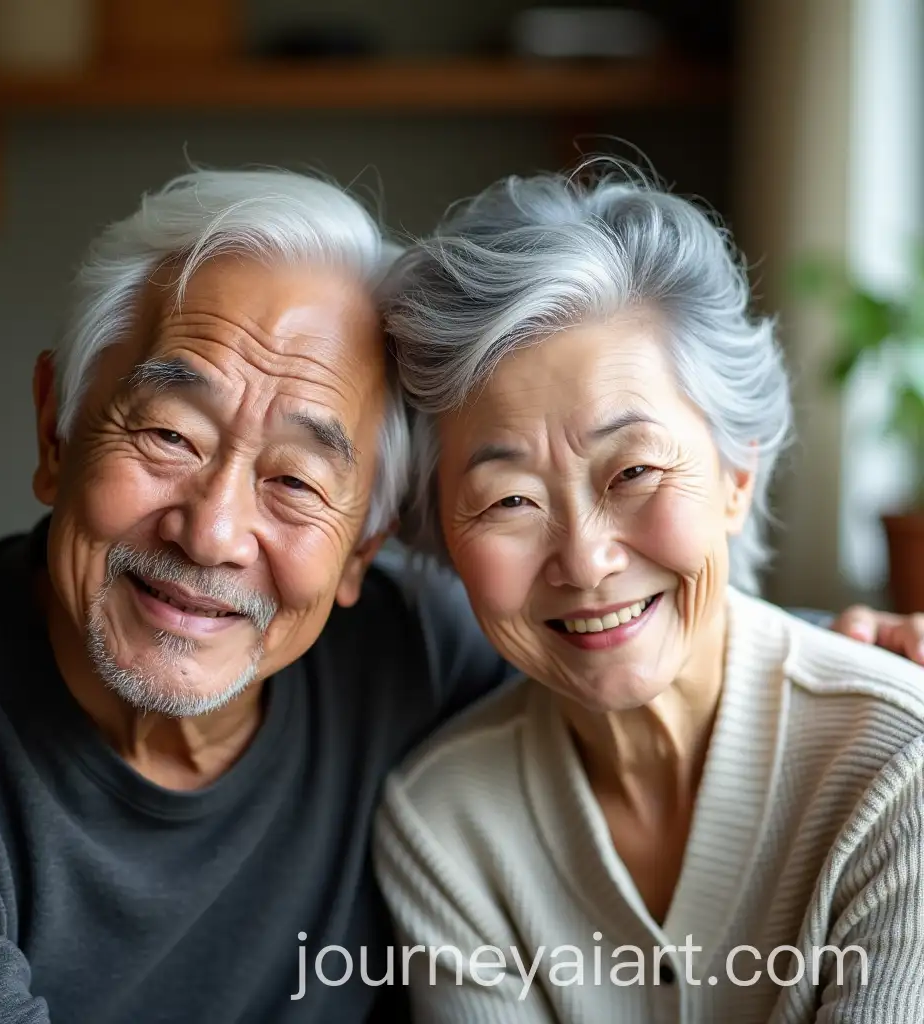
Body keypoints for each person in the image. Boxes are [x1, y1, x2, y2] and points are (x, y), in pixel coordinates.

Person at [0, 168, 917, 1024]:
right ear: (54, 431)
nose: (213, 532)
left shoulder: (409, 656)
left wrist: (849, 661)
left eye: (296, 481)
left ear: (365, 548)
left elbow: (626, 646)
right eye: (169, 434)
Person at [375, 164, 924, 1023]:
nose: (586, 560)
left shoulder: (901, 766)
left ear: (738, 471)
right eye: (510, 500)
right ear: (440, 530)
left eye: (633, 470)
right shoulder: (446, 823)